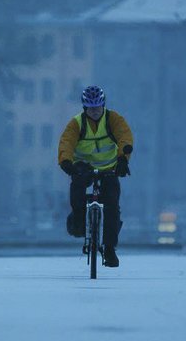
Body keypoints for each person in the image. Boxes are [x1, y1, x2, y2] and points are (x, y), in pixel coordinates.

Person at [57, 85, 134, 268]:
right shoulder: (76, 124)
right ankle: (79, 221)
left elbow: (125, 136)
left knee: (112, 205)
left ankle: (109, 249)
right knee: (77, 191)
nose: (95, 112)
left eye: (98, 107)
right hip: (83, 167)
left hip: (109, 167)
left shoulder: (113, 119)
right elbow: (66, 142)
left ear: (103, 105)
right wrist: (66, 162)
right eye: (91, 108)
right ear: (85, 108)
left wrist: (123, 159)